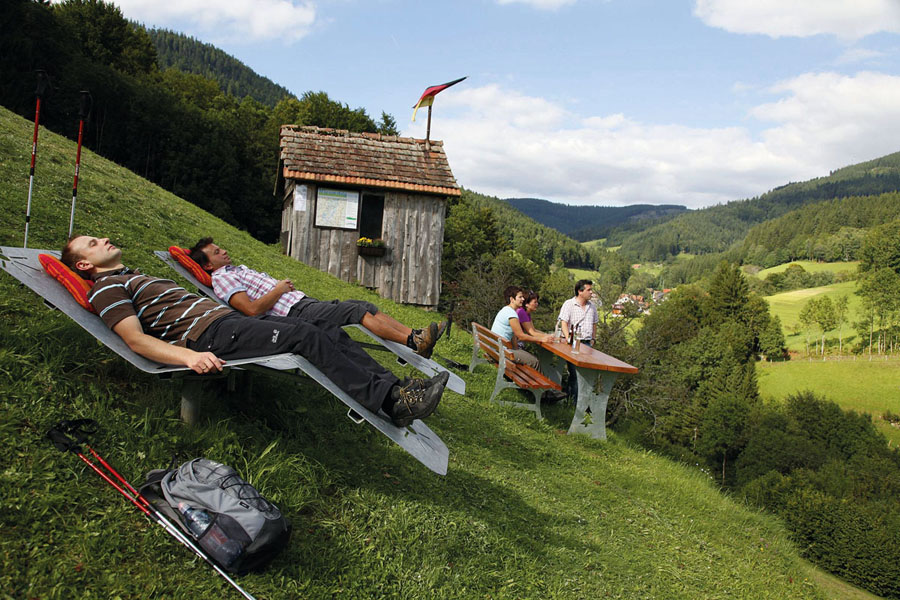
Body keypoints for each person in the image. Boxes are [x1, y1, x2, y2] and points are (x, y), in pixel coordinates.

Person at [61, 235, 447, 428]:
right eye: (92, 244)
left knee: (325, 329)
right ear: (83, 266)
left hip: (227, 325)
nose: (103, 241)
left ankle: (398, 389)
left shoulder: (130, 276)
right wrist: (189, 357)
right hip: (209, 334)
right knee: (305, 336)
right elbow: (134, 339)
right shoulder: (108, 289)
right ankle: (390, 403)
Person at [188, 238, 444, 359]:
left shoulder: (236, 270)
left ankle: (416, 334)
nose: (224, 251)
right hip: (295, 315)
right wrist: (279, 289)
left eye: (221, 247)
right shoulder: (222, 278)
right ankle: (413, 341)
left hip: (302, 304)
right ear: (209, 265)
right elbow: (252, 310)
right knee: (355, 313)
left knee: (362, 305)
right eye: (217, 252)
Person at [490, 285, 554, 370]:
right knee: (535, 362)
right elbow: (521, 336)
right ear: (512, 299)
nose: (523, 299)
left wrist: (516, 349)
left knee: (526, 356)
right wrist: (541, 339)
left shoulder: (505, 310)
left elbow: (512, 334)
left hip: (494, 348)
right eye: (520, 297)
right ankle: (535, 383)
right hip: (500, 351)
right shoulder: (512, 314)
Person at [558, 279, 600, 402]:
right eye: (589, 290)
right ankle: (575, 402)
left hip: (587, 344)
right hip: (574, 343)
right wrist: (568, 339)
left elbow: (594, 323)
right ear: (580, 291)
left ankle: (575, 400)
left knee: (586, 375)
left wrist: (593, 339)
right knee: (575, 374)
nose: (591, 293)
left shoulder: (592, 307)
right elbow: (564, 322)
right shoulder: (569, 304)